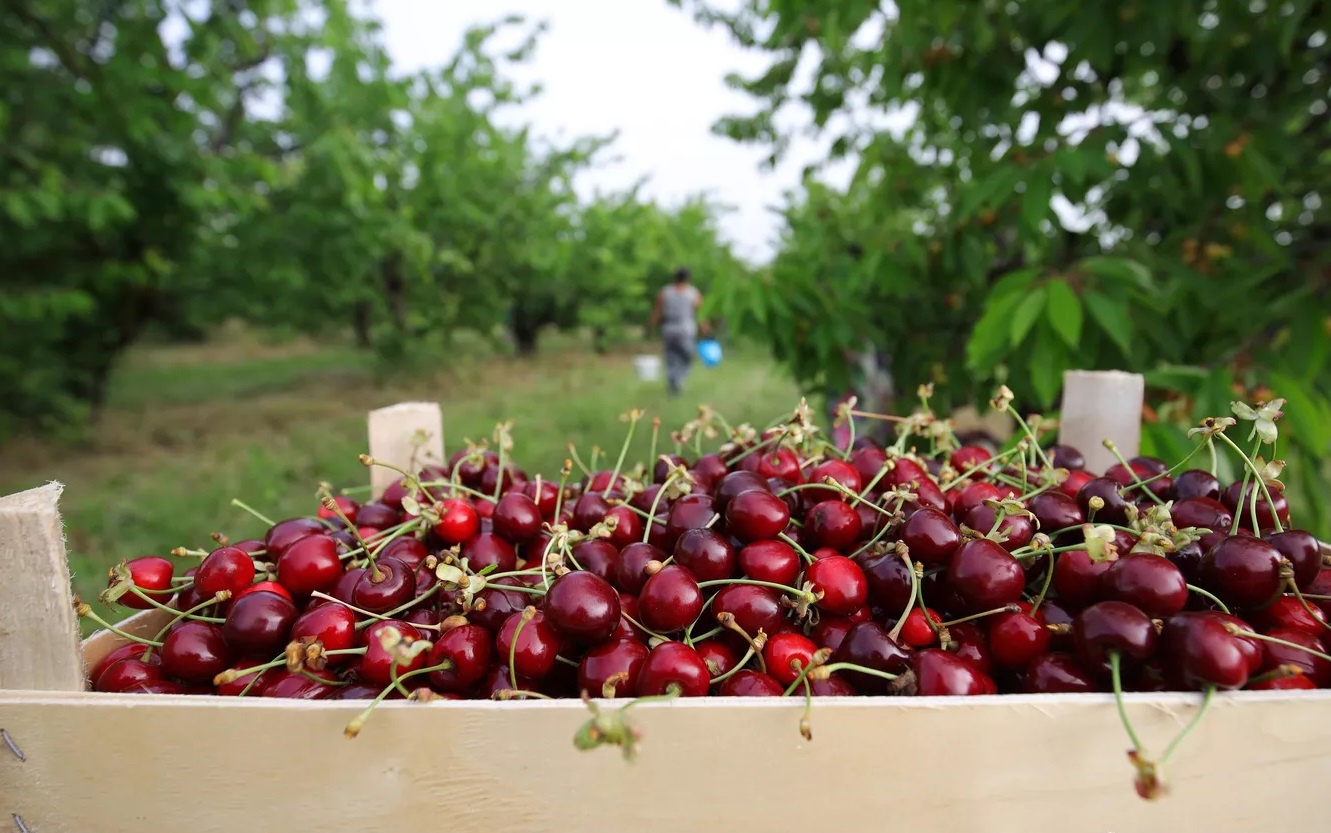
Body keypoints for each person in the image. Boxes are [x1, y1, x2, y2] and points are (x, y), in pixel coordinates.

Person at [649, 268, 706, 396]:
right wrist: (705, 329)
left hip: (669, 328)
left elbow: (657, 311)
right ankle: (678, 380)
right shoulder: (692, 293)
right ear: (688, 279)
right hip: (686, 328)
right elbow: (701, 313)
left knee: (671, 358)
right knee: (687, 357)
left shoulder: (665, 292)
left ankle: (674, 380)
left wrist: (651, 327)